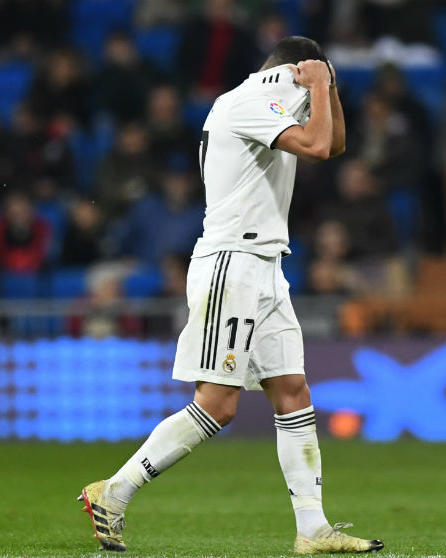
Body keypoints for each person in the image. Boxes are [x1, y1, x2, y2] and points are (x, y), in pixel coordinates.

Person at [77, 37, 384, 555]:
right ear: (289, 71)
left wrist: (323, 90)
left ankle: (312, 529)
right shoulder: (249, 101)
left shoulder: (273, 105)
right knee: (218, 405)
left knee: (293, 393)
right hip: (232, 265)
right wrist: (315, 83)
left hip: (266, 267)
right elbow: (315, 146)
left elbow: (332, 147)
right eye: (309, 84)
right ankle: (113, 490)